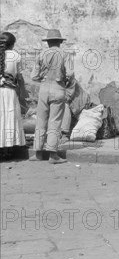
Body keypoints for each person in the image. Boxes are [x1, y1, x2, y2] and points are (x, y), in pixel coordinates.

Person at [31, 29, 74, 164]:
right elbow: (70, 73)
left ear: (48, 42)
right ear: (60, 42)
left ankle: (37, 153)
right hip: (58, 87)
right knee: (54, 122)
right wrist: (65, 82)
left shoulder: (41, 54)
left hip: (44, 88)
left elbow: (34, 76)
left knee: (41, 120)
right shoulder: (65, 54)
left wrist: (42, 79)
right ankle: (52, 155)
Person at [0, 32, 26, 159]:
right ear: (13, 44)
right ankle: (7, 151)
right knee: (9, 119)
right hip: (9, 93)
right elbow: (19, 78)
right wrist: (22, 94)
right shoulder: (16, 56)